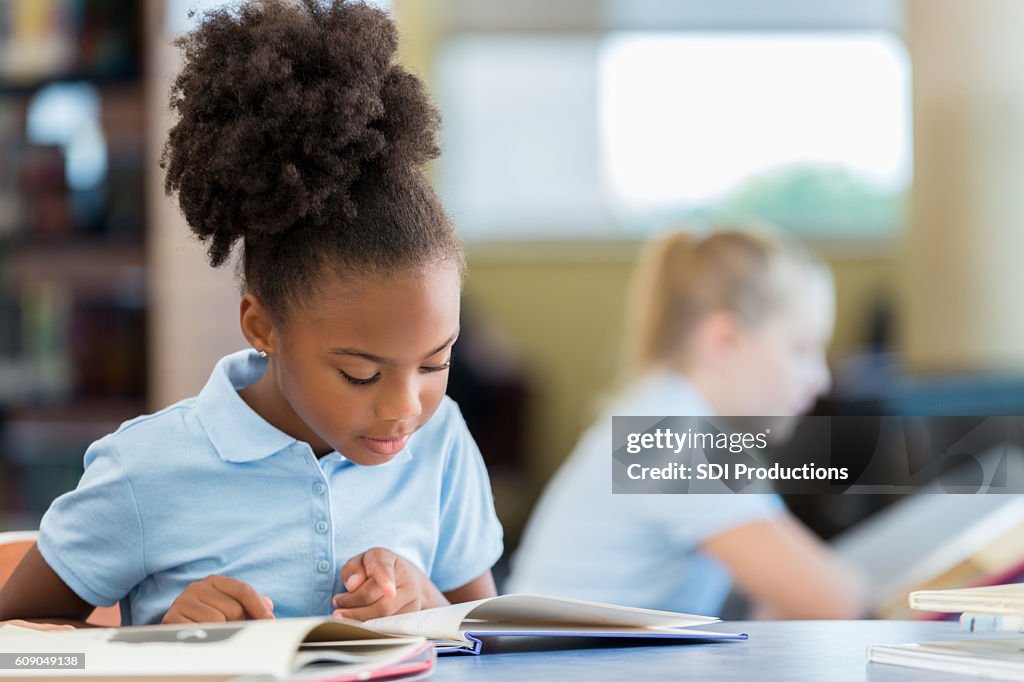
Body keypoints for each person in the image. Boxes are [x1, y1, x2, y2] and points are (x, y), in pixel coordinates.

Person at [0, 0, 502, 628]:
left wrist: (424, 600)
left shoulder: (440, 441)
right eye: (360, 374)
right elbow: (16, 648)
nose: (406, 407)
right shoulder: (146, 469)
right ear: (263, 327)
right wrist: (155, 644)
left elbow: (482, 628)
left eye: (436, 362)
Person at [507, 229, 865, 619]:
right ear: (725, 341)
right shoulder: (670, 437)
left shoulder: (660, 411)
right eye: (801, 349)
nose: (821, 379)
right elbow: (837, 604)